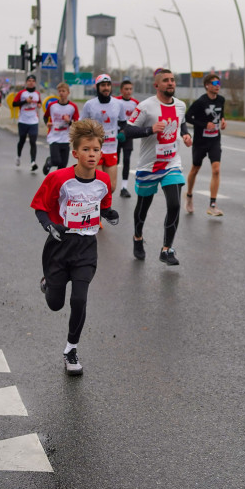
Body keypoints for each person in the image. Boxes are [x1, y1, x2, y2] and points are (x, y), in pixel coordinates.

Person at [31, 119, 120, 375]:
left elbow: (102, 206)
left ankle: (71, 349)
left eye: (96, 150)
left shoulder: (103, 180)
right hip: (59, 248)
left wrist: (109, 214)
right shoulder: (59, 178)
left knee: (79, 300)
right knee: (55, 304)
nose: (92, 154)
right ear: (75, 153)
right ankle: (48, 283)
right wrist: (50, 226)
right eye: (86, 150)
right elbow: (40, 207)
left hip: (86, 249)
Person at [123, 68, 192, 265]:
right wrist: (149, 129)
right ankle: (137, 237)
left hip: (172, 163)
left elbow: (182, 123)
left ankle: (166, 249)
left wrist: (186, 135)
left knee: (175, 204)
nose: (171, 83)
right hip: (149, 165)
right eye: (166, 80)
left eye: (172, 80)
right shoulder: (146, 107)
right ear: (157, 85)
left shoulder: (180, 106)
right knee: (143, 207)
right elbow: (127, 130)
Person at [184, 73, 226, 216]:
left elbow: (221, 115)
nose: (218, 86)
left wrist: (223, 121)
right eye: (215, 84)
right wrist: (203, 125)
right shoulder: (200, 102)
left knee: (216, 170)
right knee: (195, 168)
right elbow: (188, 117)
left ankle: (212, 205)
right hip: (201, 141)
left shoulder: (221, 100)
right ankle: (189, 196)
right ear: (207, 86)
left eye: (219, 83)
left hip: (214, 140)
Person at [81, 73, 126, 194]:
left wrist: (122, 132)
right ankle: (99, 210)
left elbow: (123, 122)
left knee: (111, 187)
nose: (106, 88)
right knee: (99, 184)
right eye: (103, 85)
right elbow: (82, 124)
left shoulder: (118, 104)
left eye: (108, 85)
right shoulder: (89, 105)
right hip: (95, 149)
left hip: (112, 149)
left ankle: (105, 208)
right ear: (97, 87)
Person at [42, 82, 79, 174]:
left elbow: (77, 124)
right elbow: (45, 117)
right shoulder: (52, 105)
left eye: (63, 91)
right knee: (56, 160)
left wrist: (69, 121)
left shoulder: (72, 107)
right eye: (60, 91)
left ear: (68, 92)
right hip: (54, 136)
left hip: (66, 138)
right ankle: (49, 162)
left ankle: (57, 184)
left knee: (62, 166)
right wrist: (48, 123)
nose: (61, 93)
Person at [115, 78, 139, 198]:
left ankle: (124, 188)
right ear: (121, 90)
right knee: (115, 161)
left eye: (130, 89)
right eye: (126, 89)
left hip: (128, 134)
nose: (128, 91)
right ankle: (109, 185)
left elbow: (139, 118)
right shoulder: (115, 101)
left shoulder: (135, 103)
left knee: (127, 160)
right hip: (116, 134)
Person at [13, 74, 41, 170]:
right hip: (23, 121)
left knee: (33, 141)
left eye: (33, 81)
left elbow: (39, 102)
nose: (31, 82)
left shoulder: (37, 93)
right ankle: (18, 156)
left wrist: (39, 104)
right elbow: (14, 104)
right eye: (29, 80)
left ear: (35, 83)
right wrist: (25, 101)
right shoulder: (22, 93)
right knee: (22, 140)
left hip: (33, 121)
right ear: (26, 82)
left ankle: (33, 162)